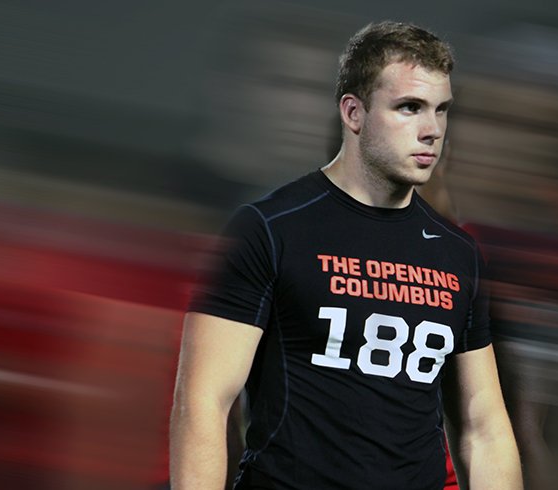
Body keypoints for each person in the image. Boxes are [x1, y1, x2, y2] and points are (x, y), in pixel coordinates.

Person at [169, 21, 522, 490]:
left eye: (441, 110)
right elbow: (203, 401)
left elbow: (485, 429)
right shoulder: (272, 229)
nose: (432, 130)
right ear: (353, 113)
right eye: (409, 108)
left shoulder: (459, 255)